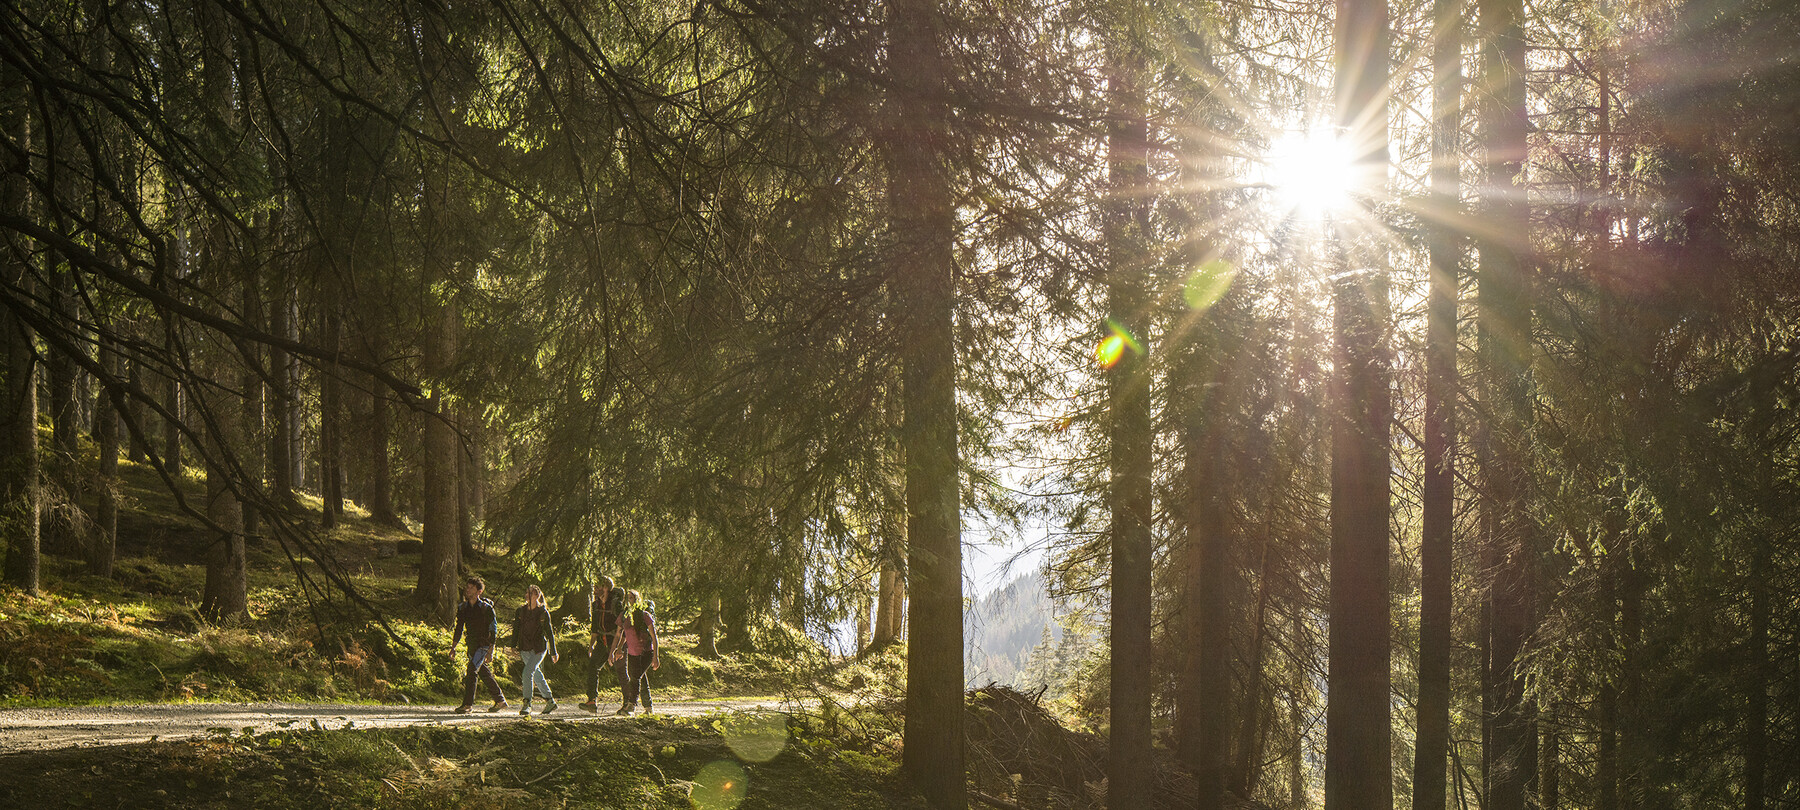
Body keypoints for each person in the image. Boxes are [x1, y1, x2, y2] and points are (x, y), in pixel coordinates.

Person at [450, 576, 508, 713]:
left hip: (484, 645)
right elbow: (459, 628)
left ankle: (467, 705)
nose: (467, 590)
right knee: (483, 672)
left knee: (472, 670)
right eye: (467, 587)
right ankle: (500, 700)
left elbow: (493, 630)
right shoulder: (463, 608)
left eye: (471, 588)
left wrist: (491, 650)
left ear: (479, 591)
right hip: (471, 645)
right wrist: (453, 647)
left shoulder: (486, 608)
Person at [580, 576, 629, 713]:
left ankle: (628, 703)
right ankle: (591, 701)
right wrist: (591, 646)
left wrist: (619, 648)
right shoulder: (596, 604)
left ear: (606, 588)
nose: (595, 590)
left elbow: (623, 628)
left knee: (621, 672)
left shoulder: (616, 604)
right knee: (593, 667)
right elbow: (595, 628)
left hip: (617, 642)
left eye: (598, 587)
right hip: (602, 642)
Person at [512, 584, 560, 716]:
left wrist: (553, 652)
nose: (527, 595)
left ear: (537, 595)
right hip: (524, 648)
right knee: (537, 674)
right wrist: (512, 645)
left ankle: (527, 703)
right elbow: (516, 629)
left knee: (527, 673)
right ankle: (550, 701)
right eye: (526, 593)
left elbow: (550, 633)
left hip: (539, 649)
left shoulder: (543, 612)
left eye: (530, 593)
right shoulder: (520, 611)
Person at [610, 589, 660, 715]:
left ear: (637, 600)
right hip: (632, 654)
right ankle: (648, 708)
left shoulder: (645, 616)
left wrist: (656, 657)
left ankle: (631, 706)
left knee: (635, 677)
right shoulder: (624, 616)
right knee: (640, 678)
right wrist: (617, 649)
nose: (629, 601)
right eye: (628, 598)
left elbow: (654, 637)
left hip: (646, 653)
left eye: (632, 598)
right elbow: (620, 635)